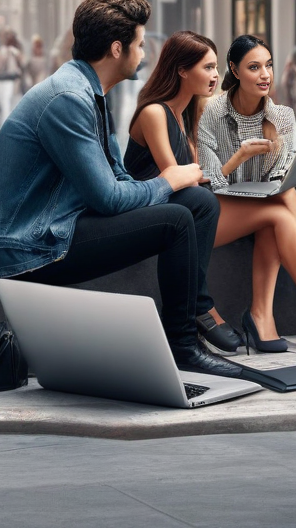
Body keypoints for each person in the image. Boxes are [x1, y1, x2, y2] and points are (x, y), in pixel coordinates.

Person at [0, 0, 244, 379]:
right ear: (117, 48)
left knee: (199, 203)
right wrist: (166, 181)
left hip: (57, 225)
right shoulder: (68, 98)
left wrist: (171, 185)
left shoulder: (89, 91)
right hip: (30, 248)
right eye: (139, 44)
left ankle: (197, 313)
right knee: (175, 220)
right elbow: (107, 198)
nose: (143, 53)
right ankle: (183, 345)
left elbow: (117, 178)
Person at [196, 34, 296, 351]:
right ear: (235, 69)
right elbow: (210, 179)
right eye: (254, 67)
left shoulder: (282, 116)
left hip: (264, 205)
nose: (265, 74)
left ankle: (262, 315)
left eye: (268, 65)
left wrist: (287, 165)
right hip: (218, 207)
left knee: (283, 197)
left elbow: (286, 175)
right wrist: (240, 157)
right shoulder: (210, 112)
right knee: (281, 208)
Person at [123, 30, 242, 354]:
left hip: (187, 205)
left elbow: (203, 174)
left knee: (277, 207)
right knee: (204, 199)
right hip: (150, 211)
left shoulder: (188, 113)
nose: (216, 75)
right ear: (181, 69)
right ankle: (201, 305)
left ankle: (271, 317)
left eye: (217, 67)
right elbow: (174, 177)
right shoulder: (154, 113)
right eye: (207, 67)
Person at [0, 28, 24, 127]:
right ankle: (1, 123)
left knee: (5, 102)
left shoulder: (12, 50)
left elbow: (21, 63)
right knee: (1, 102)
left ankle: (4, 125)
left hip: (7, 80)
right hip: (1, 79)